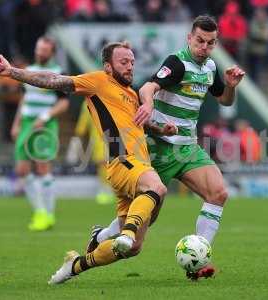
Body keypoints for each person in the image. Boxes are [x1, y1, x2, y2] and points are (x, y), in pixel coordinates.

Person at [0, 41, 176, 284]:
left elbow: (138, 123)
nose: (130, 66)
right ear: (108, 67)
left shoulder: (132, 94)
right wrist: (13, 72)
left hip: (137, 165)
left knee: (134, 248)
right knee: (157, 189)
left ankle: (77, 264)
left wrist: (160, 128)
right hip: (123, 160)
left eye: (132, 62)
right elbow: (54, 80)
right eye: (123, 62)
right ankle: (124, 232)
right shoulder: (98, 81)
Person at [86, 15, 245, 279]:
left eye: (210, 43)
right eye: (200, 41)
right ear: (189, 38)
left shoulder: (210, 68)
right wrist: (147, 104)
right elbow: (148, 87)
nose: (204, 47)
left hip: (187, 148)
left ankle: (199, 259)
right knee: (142, 225)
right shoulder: (177, 63)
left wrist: (230, 87)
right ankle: (102, 235)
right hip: (159, 148)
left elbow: (225, 101)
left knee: (218, 194)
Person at [9, 36, 69, 231]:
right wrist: (16, 123)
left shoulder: (59, 73)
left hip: (45, 126)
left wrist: (45, 116)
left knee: (43, 168)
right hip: (27, 123)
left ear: (51, 52)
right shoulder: (27, 71)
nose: (40, 52)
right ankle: (40, 211)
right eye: (38, 48)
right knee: (21, 170)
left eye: (44, 50)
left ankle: (48, 214)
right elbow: (24, 98)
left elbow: (64, 103)